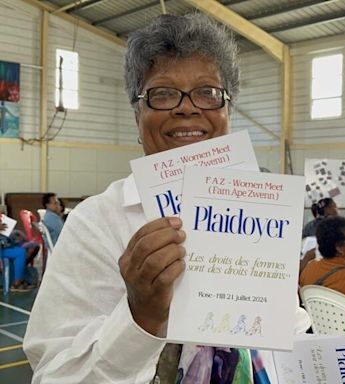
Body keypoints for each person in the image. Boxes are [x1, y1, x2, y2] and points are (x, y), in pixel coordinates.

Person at [24, 14, 310, 384]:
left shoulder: (260, 211)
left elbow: (289, 333)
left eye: (208, 92)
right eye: (162, 94)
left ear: (228, 110)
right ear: (137, 114)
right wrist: (140, 315)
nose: (187, 107)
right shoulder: (95, 223)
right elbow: (53, 376)